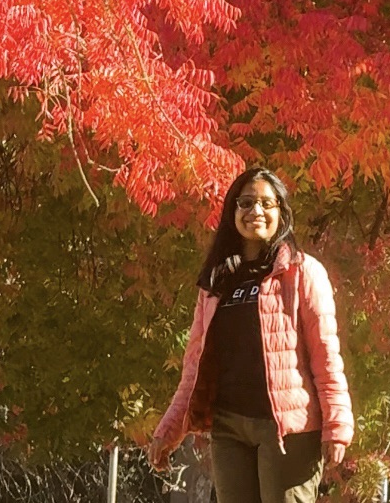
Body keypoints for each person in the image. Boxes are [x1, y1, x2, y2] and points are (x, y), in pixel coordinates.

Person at [148, 167, 353, 503]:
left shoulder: (302, 272)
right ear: (233, 212)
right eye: (245, 203)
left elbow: (326, 355)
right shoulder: (216, 281)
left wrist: (337, 425)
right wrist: (168, 430)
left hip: (287, 430)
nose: (255, 211)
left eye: (266, 203)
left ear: (281, 212)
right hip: (229, 426)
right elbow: (194, 366)